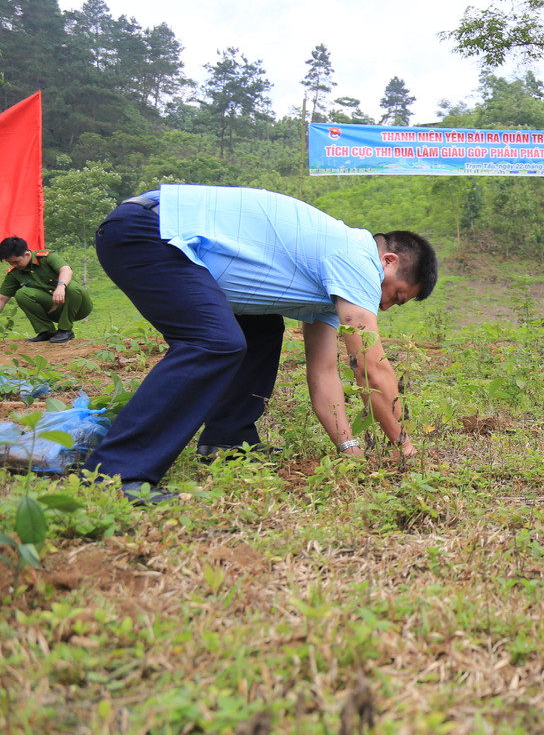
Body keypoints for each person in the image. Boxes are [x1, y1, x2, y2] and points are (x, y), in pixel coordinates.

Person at [83, 185, 437, 502]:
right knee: (214, 342)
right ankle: (117, 473)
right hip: (150, 233)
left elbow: (325, 373)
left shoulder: (333, 288)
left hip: (151, 232)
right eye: (397, 296)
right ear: (387, 261)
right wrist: (404, 447)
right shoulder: (357, 258)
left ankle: (228, 440)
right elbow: (370, 369)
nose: (385, 306)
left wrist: (350, 449)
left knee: (263, 328)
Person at [0, 238, 92, 343]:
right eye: (11, 263)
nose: (14, 266)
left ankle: (65, 330)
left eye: (16, 262)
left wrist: (61, 286)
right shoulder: (15, 273)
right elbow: (2, 298)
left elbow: (66, 270)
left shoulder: (47, 257)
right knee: (22, 294)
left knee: (72, 287)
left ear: (27, 254)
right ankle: (46, 332)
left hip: (79, 306)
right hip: (55, 310)